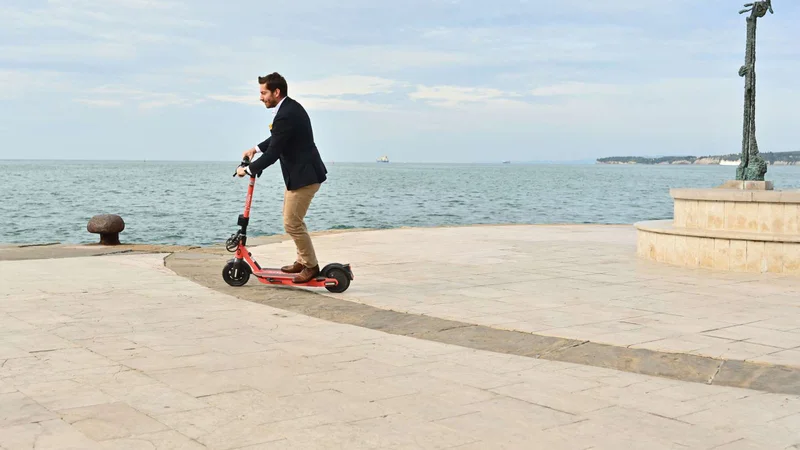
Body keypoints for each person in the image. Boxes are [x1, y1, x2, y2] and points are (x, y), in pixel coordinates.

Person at [237, 72, 328, 284]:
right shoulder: (288, 109)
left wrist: (248, 170)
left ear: (276, 92)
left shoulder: (286, 113)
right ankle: (302, 260)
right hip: (301, 175)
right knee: (294, 221)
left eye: (264, 92)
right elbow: (278, 138)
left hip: (304, 177)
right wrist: (255, 149)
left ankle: (311, 266)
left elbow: (274, 153)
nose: (261, 97)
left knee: (292, 223)